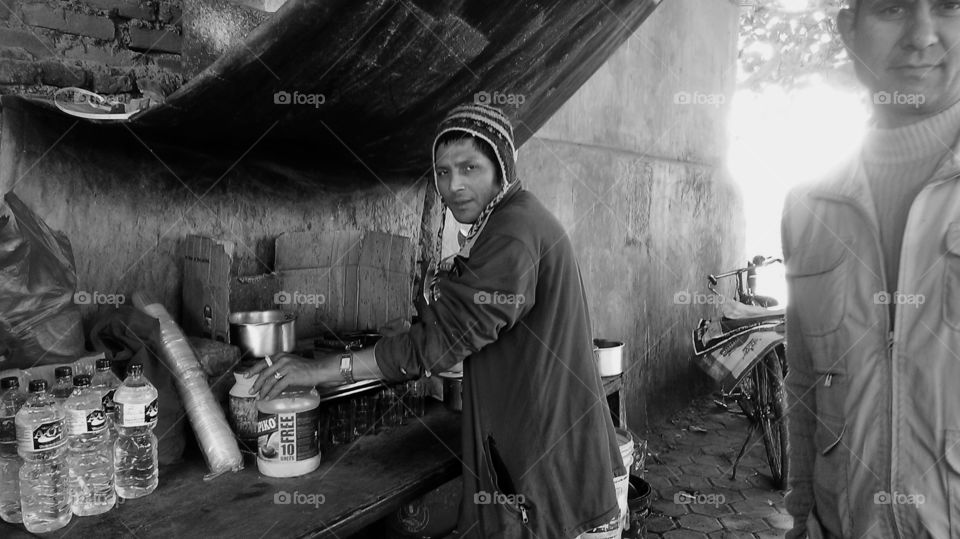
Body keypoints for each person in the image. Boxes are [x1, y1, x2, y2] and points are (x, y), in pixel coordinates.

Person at [250, 103, 625, 538]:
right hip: (556, 462)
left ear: (501, 169)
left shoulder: (513, 233)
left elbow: (440, 344)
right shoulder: (515, 221)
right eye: (443, 172)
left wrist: (319, 369)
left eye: (470, 167)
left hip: (550, 482)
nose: (454, 185)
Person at [782, 0, 960, 537]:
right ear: (849, 30)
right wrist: (800, 516)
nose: (923, 36)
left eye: (949, 5)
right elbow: (805, 385)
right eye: (892, 9)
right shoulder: (809, 206)